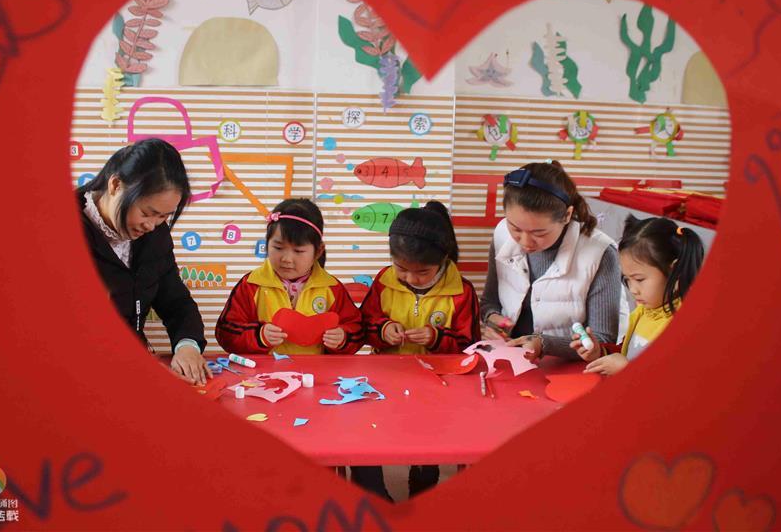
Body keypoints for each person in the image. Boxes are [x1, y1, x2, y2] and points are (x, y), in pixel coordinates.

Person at [357, 201, 480, 500]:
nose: (410, 278)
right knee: (367, 439)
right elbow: (364, 324)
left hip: (437, 384)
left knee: (427, 443)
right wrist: (383, 330)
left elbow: (470, 343)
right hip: (386, 377)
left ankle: (421, 489)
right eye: (402, 268)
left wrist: (436, 337)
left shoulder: (461, 291)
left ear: (443, 260)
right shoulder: (384, 281)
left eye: (422, 272)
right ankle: (374, 493)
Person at [77, 138, 211, 384]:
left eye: (164, 216)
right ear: (116, 185)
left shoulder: (155, 235)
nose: (151, 225)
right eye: (147, 213)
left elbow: (176, 301)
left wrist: (187, 345)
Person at [480, 161, 625, 362]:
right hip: (511, 360)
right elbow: (489, 302)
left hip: (565, 370)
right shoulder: (502, 234)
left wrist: (545, 344)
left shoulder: (599, 254)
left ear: (566, 215)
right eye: (515, 228)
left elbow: (602, 339)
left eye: (539, 232)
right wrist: (493, 319)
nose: (525, 242)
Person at [215, 199, 363, 355]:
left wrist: (343, 338)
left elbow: (358, 330)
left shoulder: (331, 288)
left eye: (298, 251)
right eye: (278, 247)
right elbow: (225, 333)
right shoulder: (251, 285)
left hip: (314, 375)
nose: (286, 259)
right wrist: (259, 335)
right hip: (262, 376)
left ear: (318, 251)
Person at [572, 215, 704, 374]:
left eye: (639, 279)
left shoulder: (688, 324)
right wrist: (599, 353)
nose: (632, 289)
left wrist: (628, 369)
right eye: (627, 279)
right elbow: (627, 353)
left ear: (674, 271)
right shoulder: (642, 313)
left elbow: (678, 379)